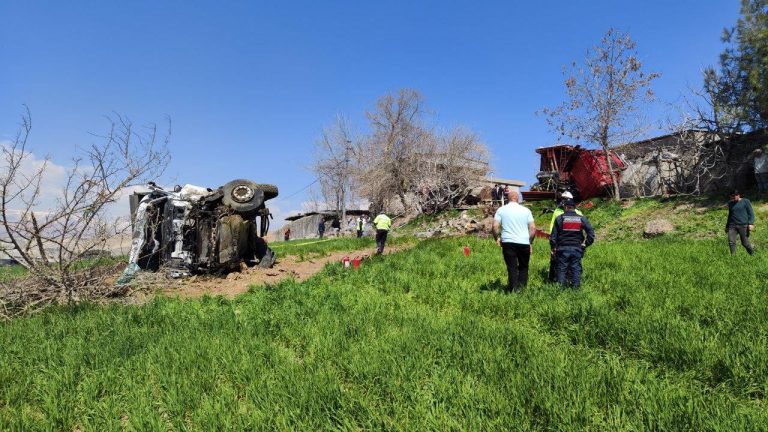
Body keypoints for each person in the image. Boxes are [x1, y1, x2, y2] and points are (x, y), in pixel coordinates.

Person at [493, 190, 536, 292]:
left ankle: (513, 289)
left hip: (508, 242)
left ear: (508, 198)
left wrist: (497, 238)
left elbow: (495, 226)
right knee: (524, 266)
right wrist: (530, 242)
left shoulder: (501, 210)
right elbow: (533, 228)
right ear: (518, 198)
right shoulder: (526, 210)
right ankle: (521, 289)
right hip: (524, 242)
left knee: (512, 267)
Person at [550, 199, 595, 289]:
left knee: (561, 269)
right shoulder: (581, 218)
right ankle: (576, 289)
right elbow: (591, 233)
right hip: (577, 248)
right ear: (574, 208)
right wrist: (586, 244)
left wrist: (553, 247)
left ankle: (560, 290)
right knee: (575, 268)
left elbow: (553, 236)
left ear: (566, 207)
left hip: (562, 248)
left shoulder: (560, 218)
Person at [546, 191, 582, 282]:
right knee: (555, 261)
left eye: (565, 199)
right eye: (562, 199)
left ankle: (569, 280)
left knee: (572, 263)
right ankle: (554, 279)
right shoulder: (557, 211)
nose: (563, 201)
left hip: (573, 241)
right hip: (559, 241)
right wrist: (552, 243)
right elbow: (552, 228)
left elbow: (581, 228)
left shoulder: (577, 212)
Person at [726, 190, 755, 255]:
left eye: (734, 196)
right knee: (731, 242)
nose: (732, 198)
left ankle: (752, 254)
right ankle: (733, 258)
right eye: (731, 197)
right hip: (732, 225)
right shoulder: (730, 203)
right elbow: (730, 215)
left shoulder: (745, 201)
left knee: (745, 243)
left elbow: (751, 213)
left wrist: (751, 223)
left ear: (738, 195)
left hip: (743, 225)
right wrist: (727, 226)